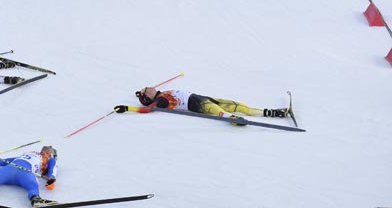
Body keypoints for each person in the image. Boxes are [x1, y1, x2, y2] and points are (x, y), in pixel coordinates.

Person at [113, 87, 290, 120]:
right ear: (149, 97)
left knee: (239, 105)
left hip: (200, 97)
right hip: (195, 104)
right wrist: (128, 108)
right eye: (146, 90)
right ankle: (231, 118)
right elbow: (147, 110)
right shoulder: (160, 100)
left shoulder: (161, 92)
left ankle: (273, 113)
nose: (148, 87)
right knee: (218, 110)